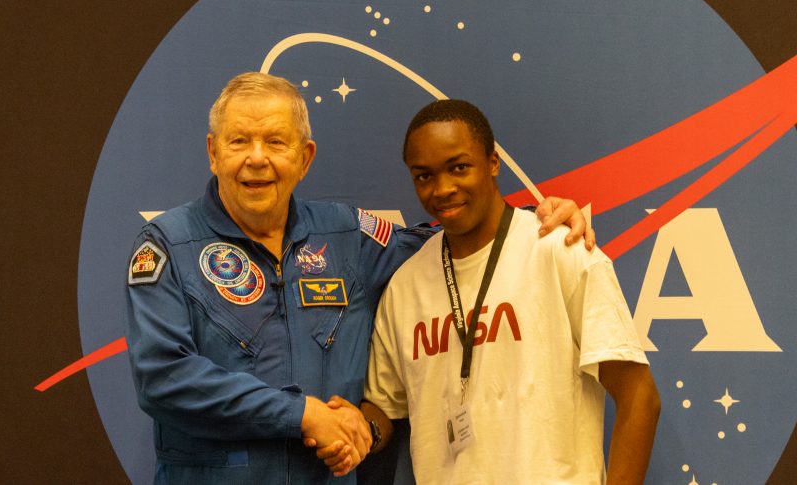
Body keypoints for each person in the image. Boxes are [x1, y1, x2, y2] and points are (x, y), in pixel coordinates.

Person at [124, 73, 593, 485]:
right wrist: (302, 414)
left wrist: (533, 221)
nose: (257, 158)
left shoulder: (347, 235)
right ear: (213, 152)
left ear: (305, 158)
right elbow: (163, 378)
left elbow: (452, 235)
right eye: (239, 141)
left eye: (276, 142)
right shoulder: (168, 245)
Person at [341, 99, 661, 484]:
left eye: (459, 167)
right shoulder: (405, 285)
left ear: (493, 163)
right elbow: (385, 408)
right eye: (424, 176)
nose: (443, 188)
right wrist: (352, 430)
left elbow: (640, 397)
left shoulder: (561, 252)